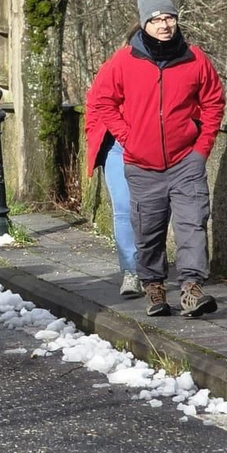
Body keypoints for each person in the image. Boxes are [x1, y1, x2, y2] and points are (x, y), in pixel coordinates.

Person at [86, 0, 226, 319]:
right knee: (148, 231)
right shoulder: (123, 61)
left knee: (193, 224)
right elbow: (102, 99)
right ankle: (154, 286)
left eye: (169, 18)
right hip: (142, 164)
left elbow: (213, 102)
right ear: (144, 23)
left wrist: (201, 147)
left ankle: (192, 289)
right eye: (156, 19)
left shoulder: (195, 59)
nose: (164, 25)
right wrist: (128, 137)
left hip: (185, 161)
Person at [85, 52, 141, 299]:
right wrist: (94, 132)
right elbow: (95, 102)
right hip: (116, 146)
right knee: (122, 208)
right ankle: (131, 271)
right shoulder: (114, 66)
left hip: (150, 146)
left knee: (153, 208)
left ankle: (151, 265)